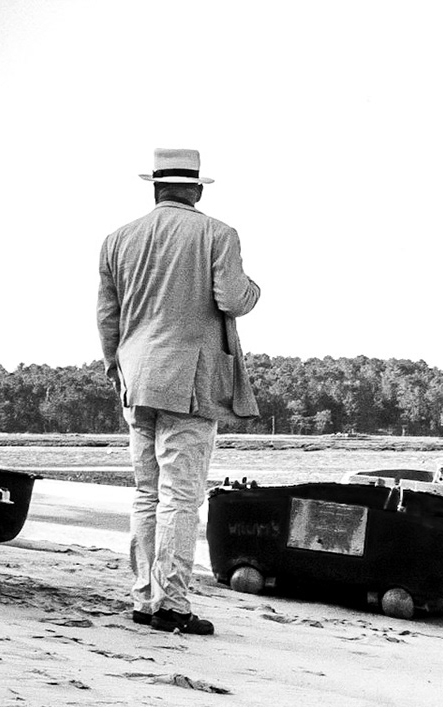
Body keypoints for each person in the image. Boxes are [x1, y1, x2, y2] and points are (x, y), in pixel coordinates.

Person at [97, 147, 261, 636]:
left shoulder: (116, 239)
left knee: (146, 492)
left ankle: (144, 598)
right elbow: (233, 298)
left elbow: (108, 318)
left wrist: (117, 368)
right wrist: (256, 290)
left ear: (155, 188)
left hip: (135, 376)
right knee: (180, 496)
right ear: (195, 189)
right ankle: (171, 604)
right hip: (188, 381)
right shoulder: (217, 233)